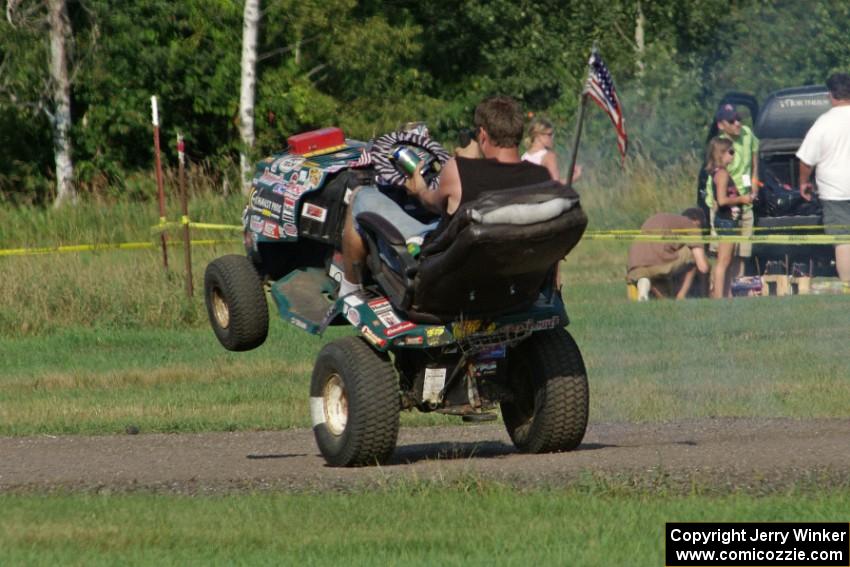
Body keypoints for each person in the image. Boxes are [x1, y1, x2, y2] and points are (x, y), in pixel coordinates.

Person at [339, 96, 552, 296]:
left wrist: (418, 187)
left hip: (443, 277)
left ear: (483, 135)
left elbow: (429, 202)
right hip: (509, 279)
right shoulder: (541, 177)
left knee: (361, 196)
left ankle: (349, 291)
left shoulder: (459, 171)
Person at [797, 72, 850, 284]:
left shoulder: (824, 123)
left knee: (843, 241)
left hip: (835, 193)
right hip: (836, 192)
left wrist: (803, 182)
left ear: (831, 95)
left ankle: (848, 288)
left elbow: (806, 160)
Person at [706, 104, 759, 273]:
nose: (737, 123)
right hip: (724, 205)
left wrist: (754, 184)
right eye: (731, 120)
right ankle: (718, 291)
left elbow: (754, 161)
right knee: (722, 256)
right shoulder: (720, 145)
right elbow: (717, 179)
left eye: (738, 119)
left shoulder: (747, 133)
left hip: (745, 202)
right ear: (721, 125)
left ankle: (737, 291)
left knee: (742, 253)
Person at [706, 136, 754, 298]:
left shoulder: (721, 173)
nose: (733, 156)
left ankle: (727, 293)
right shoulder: (722, 174)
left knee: (729, 261)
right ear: (721, 154)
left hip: (729, 220)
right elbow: (722, 200)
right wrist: (742, 199)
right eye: (731, 152)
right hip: (726, 221)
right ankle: (719, 296)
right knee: (723, 262)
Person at [626, 208, 710, 301]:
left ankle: (644, 284)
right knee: (693, 255)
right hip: (658, 262)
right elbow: (703, 267)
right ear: (697, 222)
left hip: (634, 264)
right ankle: (681, 297)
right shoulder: (691, 225)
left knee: (665, 295)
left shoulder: (668, 220)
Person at [521, 116, 582, 183]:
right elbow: (556, 185)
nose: (552, 137)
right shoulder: (549, 156)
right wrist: (575, 176)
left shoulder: (524, 157)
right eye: (549, 134)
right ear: (538, 135)